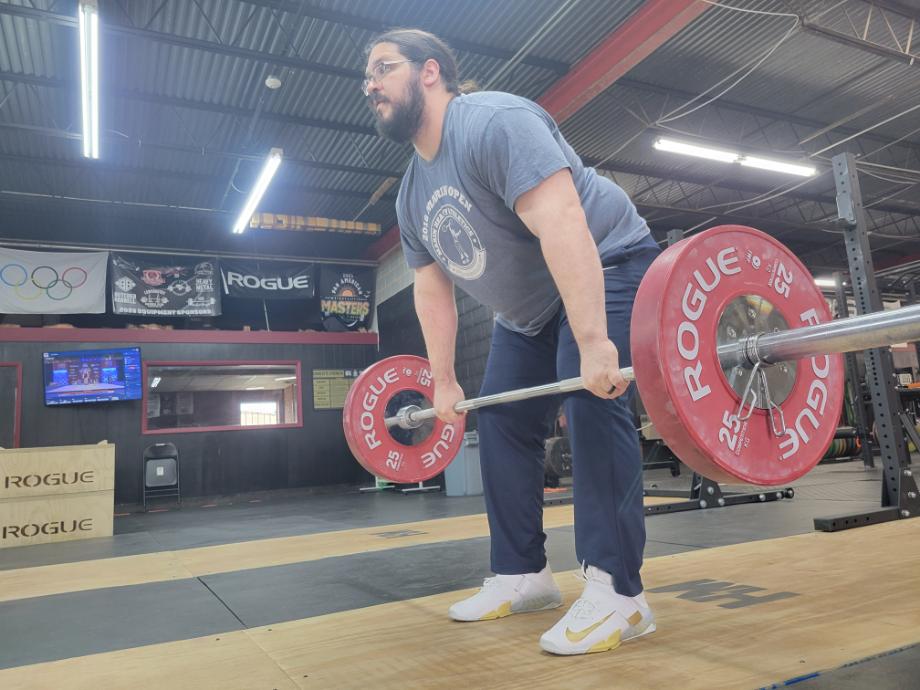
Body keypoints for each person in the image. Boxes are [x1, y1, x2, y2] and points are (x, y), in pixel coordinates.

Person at [364, 28, 660, 656]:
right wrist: (443, 381)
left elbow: (562, 222)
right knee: (496, 419)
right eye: (367, 76)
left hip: (605, 260)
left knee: (589, 396)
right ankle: (524, 575)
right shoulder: (412, 192)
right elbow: (431, 292)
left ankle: (619, 595)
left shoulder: (493, 123)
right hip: (526, 312)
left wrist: (593, 342)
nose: (371, 84)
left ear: (430, 72)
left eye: (384, 68)